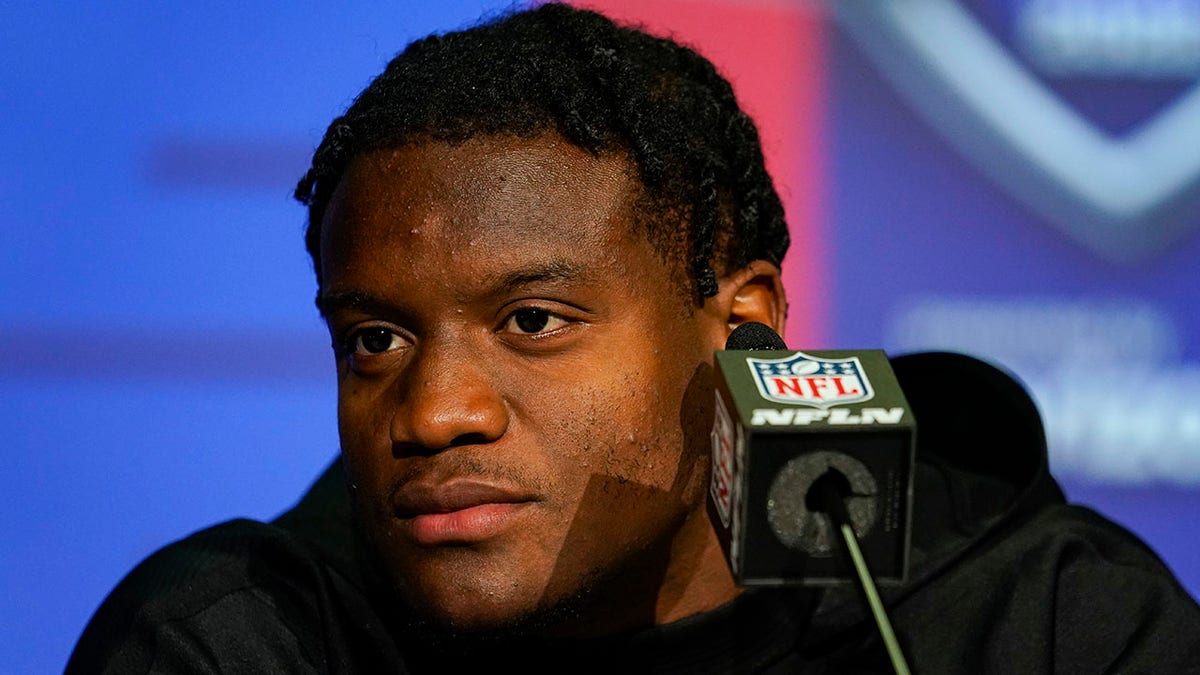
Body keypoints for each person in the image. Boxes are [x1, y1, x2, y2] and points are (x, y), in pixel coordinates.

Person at [68, 4, 1200, 673]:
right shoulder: (234, 647)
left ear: (740, 325)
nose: (431, 412)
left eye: (532, 321)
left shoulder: (1043, 622)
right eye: (375, 340)